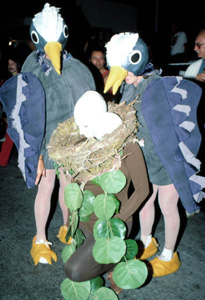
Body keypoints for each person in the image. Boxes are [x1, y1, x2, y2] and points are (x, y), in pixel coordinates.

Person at [103, 32, 204, 277]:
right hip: (145, 158)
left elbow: (169, 127)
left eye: (125, 70)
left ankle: (169, 255)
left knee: (168, 206)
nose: (124, 76)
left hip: (166, 159)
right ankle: (147, 241)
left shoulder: (157, 85)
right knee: (145, 200)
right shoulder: (129, 87)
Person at [18, 4, 95, 265]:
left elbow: (87, 108)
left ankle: (67, 229)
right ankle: (39, 240)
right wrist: (34, 152)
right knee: (45, 187)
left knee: (68, 186)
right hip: (42, 141)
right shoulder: (31, 65)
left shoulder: (77, 69)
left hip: (68, 142)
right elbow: (25, 111)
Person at [57, 91, 150, 294]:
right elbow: (76, 190)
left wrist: (115, 222)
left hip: (115, 220)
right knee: (78, 262)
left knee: (74, 271)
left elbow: (143, 189)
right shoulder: (80, 147)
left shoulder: (128, 145)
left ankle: (118, 258)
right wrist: (70, 221)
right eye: (79, 125)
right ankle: (111, 257)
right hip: (86, 219)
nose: (83, 130)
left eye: (87, 125)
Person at [0, 55, 20, 167]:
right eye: (9, 64)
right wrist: (4, 114)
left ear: (17, 64)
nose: (10, 66)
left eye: (12, 63)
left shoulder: (23, 78)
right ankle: (2, 161)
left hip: (23, 112)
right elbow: (4, 99)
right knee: (9, 138)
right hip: (11, 113)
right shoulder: (6, 81)